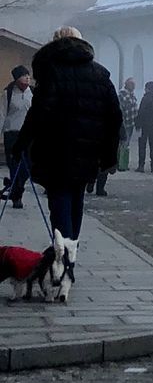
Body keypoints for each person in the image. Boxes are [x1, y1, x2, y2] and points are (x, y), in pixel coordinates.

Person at [11, 27, 122, 245]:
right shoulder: (100, 74)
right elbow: (114, 117)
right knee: (77, 197)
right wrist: (109, 155)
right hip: (89, 150)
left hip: (56, 149)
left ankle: (63, 254)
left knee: (59, 197)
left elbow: (38, 114)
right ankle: (70, 251)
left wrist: (21, 144)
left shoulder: (51, 72)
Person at [1, 65, 32, 208]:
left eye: (28, 75)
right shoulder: (8, 94)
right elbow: (1, 115)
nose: (27, 78)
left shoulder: (32, 93)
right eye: (24, 75)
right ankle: (17, 197)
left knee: (28, 167)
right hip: (12, 134)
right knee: (14, 166)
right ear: (16, 78)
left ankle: (13, 186)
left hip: (29, 135)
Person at [135, 81, 153, 173]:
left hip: (145, 125)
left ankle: (141, 165)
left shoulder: (146, 98)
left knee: (142, 145)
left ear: (148, 88)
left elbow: (141, 112)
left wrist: (138, 124)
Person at [118, 77, 137, 169]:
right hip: (125, 123)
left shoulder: (131, 95)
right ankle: (121, 164)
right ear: (127, 85)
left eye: (134, 85)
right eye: (131, 85)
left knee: (127, 143)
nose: (133, 86)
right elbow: (121, 109)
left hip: (131, 123)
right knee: (123, 143)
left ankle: (124, 163)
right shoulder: (122, 95)